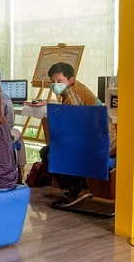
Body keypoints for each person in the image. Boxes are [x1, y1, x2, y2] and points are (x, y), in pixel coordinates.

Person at [41, 62, 117, 205]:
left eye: (59, 81)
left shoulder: (70, 97)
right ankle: (81, 188)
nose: (55, 85)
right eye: (53, 81)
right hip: (108, 143)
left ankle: (77, 190)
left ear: (70, 80)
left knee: (49, 152)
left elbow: (73, 129)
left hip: (96, 145)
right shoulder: (78, 87)